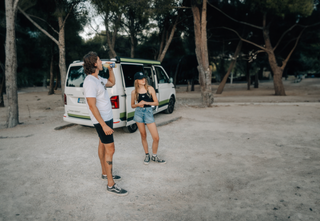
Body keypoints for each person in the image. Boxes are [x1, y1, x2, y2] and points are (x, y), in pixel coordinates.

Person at [82, 51, 128, 196]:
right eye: (100, 60)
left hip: (106, 119)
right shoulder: (89, 82)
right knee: (111, 150)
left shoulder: (98, 79)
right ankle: (110, 184)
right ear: (95, 63)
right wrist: (104, 125)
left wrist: (110, 69)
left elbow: (112, 82)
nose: (102, 62)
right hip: (102, 121)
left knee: (103, 143)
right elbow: (92, 106)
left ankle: (104, 173)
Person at [131, 72, 166, 165]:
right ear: (136, 81)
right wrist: (138, 104)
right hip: (138, 113)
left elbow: (156, 103)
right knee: (143, 135)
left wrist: (146, 103)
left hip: (148, 113)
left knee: (156, 137)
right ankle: (147, 154)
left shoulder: (150, 89)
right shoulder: (134, 92)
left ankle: (154, 156)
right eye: (141, 79)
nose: (144, 80)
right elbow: (132, 105)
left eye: (144, 78)